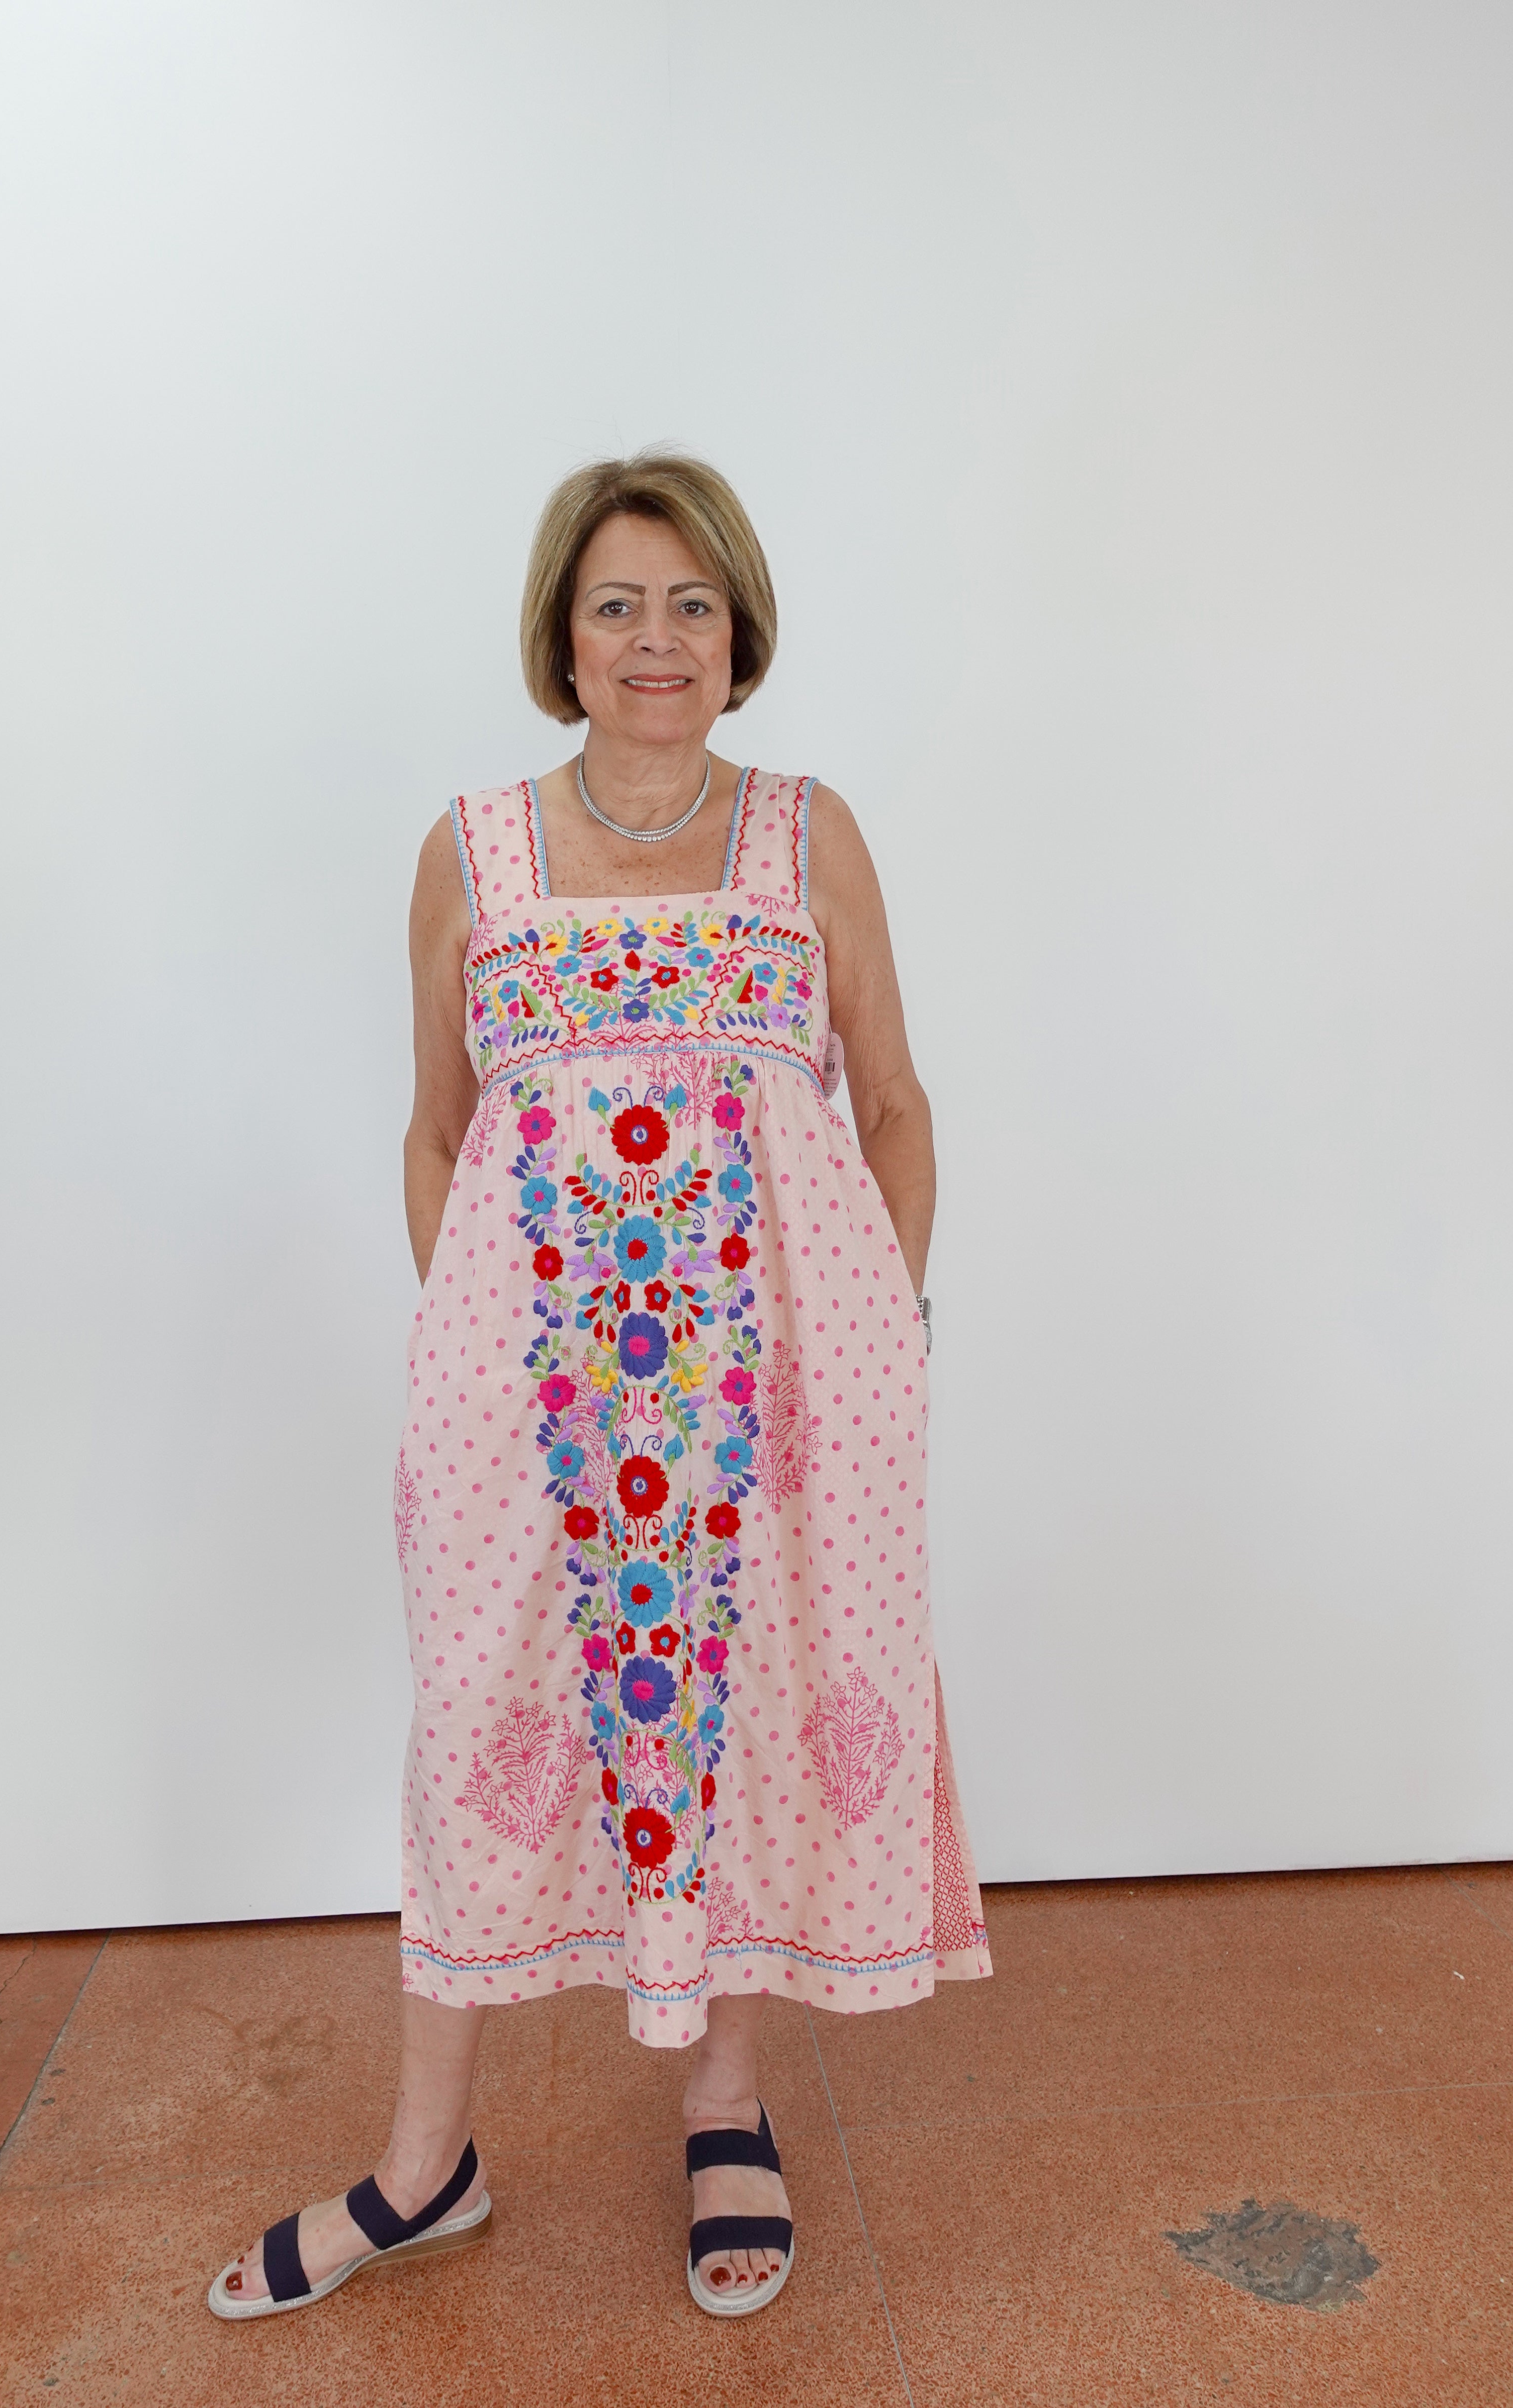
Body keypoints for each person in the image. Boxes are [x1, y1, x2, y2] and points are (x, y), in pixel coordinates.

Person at [210, 450, 991, 2325]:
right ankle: (427, 2163)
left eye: (693, 605)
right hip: (531, 1401)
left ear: (742, 634)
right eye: (619, 604)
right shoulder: (472, 851)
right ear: (562, 637)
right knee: (480, 1722)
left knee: (745, 1708)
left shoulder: (809, 836)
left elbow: (893, 1102)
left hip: (777, 1399)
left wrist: (884, 1333)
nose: (658, 639)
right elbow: (439, 1131)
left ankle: (727, 2107)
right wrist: (472, 1348)